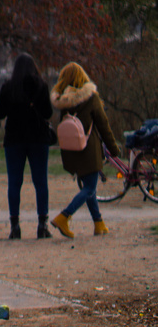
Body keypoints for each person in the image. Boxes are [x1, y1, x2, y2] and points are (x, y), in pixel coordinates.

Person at [49, 62, 121, 239]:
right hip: (89, 151)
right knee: (89, 188)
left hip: (71, 152)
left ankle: (98, 223)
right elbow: (103, 125)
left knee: (90, 188)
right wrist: (114, 149)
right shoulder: (91, 98)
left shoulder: (64, 101)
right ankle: (64, 217)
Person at [0, 54, 53, 239]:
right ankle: (42, 224)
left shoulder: (8, 87)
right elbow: (48, 113)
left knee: (14, 182)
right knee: (40, 181)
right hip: (38, 138)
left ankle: (15, 226)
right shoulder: (41, 86)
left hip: (14, 139)